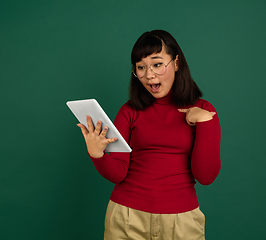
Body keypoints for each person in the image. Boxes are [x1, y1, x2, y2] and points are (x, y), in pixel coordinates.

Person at [77, 30, 221, 240]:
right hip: (126, 218)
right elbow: (118, 173)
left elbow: (206, 177)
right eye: (141, 67)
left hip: (181, 221)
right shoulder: (129, 111)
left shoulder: (204, 111)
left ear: (176, 63)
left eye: (157, 64)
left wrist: (205, 123)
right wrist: (97, 154)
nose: (149, 75)